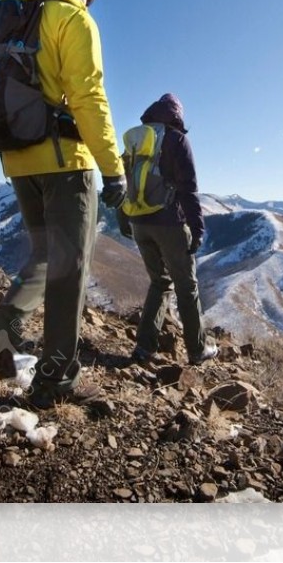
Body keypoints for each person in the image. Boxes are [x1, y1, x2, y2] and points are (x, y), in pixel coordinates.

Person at [0, 0, 126, 407]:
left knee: (44, 255)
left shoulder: (11, 15)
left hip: (18, 160)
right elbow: (88, 96)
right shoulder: (70, 17)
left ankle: (2, 323)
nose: (89, 4)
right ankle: (55, 379)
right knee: (70, 271)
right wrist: (112, 167)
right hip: (65, 163)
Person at [120, 93, 218, 366]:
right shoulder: (176, 139)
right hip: (169, 224)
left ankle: (144, 348)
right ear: (176, 115)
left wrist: (123, 218)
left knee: (160, 282)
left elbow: (121, 180)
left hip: (139, 221)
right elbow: (188, 187)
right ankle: (197, 350)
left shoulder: (135, 139)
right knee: (187, 287)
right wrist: (197, 227)